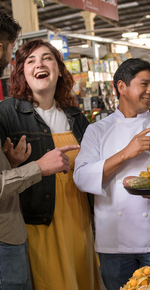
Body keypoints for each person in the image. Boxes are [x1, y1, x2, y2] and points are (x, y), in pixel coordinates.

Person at [73, 58, 150, 290]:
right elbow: (82, 177)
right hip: (113, 243)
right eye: (144, 84)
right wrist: (126, 153)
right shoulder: (97, 130)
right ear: (121, 87)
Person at [0, 39, 101, 289]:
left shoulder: (76, 116)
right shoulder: (7, 114)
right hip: (37, 221)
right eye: (30, 61)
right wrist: (11, 164)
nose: (39, 64)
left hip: (78, 219)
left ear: (58, 68)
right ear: (21, 71)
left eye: (47, 58)